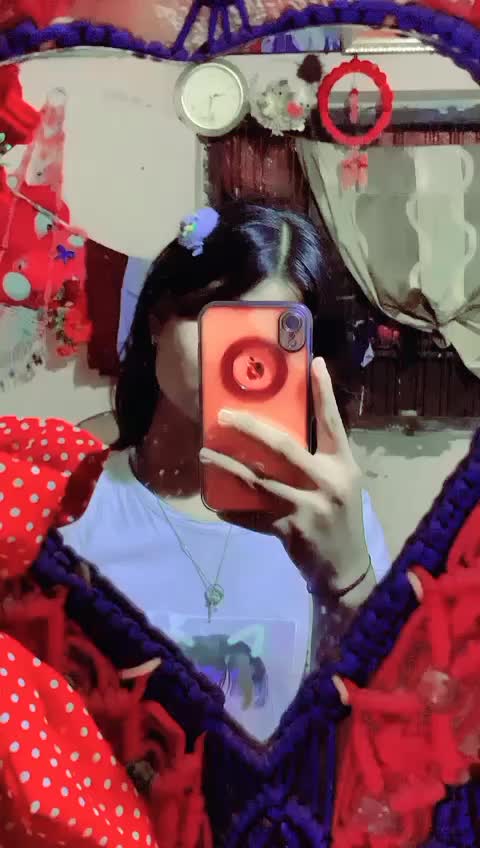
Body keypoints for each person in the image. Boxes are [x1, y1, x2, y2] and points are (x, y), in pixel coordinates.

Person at [59, 201, 391, 741]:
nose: (240, 360)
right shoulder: (76, 504)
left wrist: (349, 581)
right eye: (219, 319)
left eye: (269, 335)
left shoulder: (330, 514)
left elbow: (374, 720)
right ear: (156, 321)